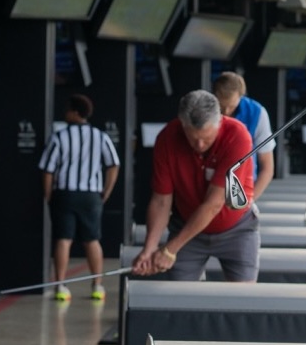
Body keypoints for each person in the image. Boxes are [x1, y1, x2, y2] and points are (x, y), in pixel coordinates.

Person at [132, 90, 261, 282]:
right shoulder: (167, 138)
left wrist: (170, 249)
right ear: (182, 125)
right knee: (179, 298)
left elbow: (213, 204)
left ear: (220, 122)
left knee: (244, 300)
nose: (200, 145)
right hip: (186, 226)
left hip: (237, 229)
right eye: (193, 138)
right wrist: (149, 248)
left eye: (207, 139)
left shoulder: (238, 136)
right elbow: (161, 200)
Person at [38, 94, 119, 302]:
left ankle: (61, 286)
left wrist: (48, 195)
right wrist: (106, 191)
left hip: (65, 193)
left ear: (75, 112)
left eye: (67, 110)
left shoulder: (59, 137)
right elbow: (113, 164)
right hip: (91, 195)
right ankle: (97, 286)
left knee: (64, 240)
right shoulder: (100, 136)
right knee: (92, 239)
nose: (65, 113)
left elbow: (47, 169)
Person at [212, 72, 275, 200]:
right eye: (221, 107)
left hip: (242, 187)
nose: (226, 112)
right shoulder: (206, 110)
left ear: (241, 96)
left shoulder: (257, 113)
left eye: (231, 107)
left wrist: (249, 202)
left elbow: (267, 167)